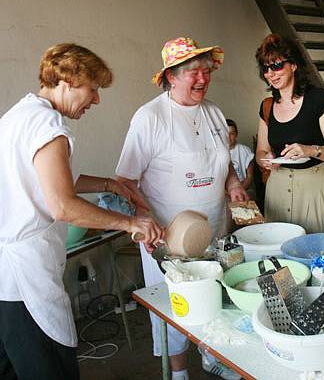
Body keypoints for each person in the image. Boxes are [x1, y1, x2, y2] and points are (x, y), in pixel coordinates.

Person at [0, 43, 163, 380]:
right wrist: (131, 223)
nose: (97, 100)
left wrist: (109, 183)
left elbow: (53, 180)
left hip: (6, 275)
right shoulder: (49, 126)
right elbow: (62, 205)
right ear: (69, 80)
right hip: (26, 276)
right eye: (94, 89)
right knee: (48, 368)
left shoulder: (20, 115)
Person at [115, 36, 247, 380]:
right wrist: (143, 220)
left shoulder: (214, 113)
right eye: (193, 72)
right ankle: (177, 372)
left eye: (206, 70)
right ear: (171, 77)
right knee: (178, 306)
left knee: (214, 296)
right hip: (168, 238)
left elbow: (225, 162)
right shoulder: (150, 118)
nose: (202, 78)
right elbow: (125, 180)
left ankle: (211, 353)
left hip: (216, 230)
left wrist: (233, 185)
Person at [254, 33, 324, 234]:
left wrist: (309, 150)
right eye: (266, 68)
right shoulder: (267, 106)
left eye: (277, 66)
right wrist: (265, 159)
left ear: (293, 65)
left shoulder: (317, 99)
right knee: (280, 253)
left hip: (314, 188)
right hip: (277, 189)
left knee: (318, 254)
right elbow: (261, 150)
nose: (271, 73)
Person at [226, 118, 254, 195]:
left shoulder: (245, 150)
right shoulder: (218, 153)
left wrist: (239, 191)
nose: (228, 137)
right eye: (226, 133)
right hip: (224, 192)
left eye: (232, 134)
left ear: (236, 134)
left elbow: (249, 177)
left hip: (244, 188)